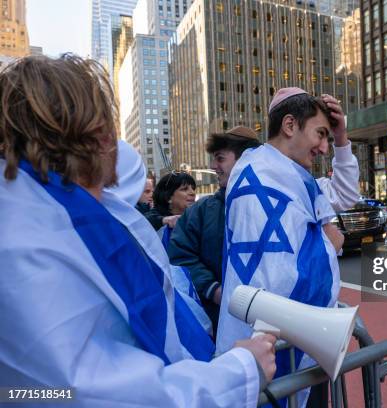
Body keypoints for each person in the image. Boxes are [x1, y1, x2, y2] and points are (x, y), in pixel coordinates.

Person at [0, 54, 275, 407]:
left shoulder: (57, 210)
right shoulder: (27, 237)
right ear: (99, 136)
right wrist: (241, 371)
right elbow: (79, 391)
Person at [216, 88, 349, 407]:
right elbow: (274, 275)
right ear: (290, 125)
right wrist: (327, 243)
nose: (323, 147)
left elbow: (343, 196)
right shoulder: (260, 179)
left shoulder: (292, 178)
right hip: (270, 345)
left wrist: (342, 139)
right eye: (320, 134)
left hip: (288, 344)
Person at [168, 126, 261, 335]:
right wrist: (214, 289)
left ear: (244, 159)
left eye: (220, 158)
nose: (213, 166)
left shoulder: (274, 206)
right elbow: (180, 256)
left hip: (269, 326)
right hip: (219, 324)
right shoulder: (200, 212)